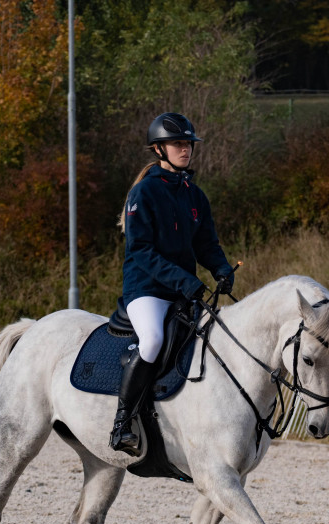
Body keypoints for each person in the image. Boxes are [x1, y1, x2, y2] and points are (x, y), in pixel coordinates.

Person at [109, 112, 236, 455]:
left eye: (188, 144)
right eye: (178, 144)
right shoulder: (143, 193)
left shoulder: (194, 195)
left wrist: (221, 269)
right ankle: (122, 423)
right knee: (152, 340)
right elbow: (142, 251)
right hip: (146, 290)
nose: (186, 149)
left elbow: (206, 244)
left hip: (183, 290)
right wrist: (185, 280)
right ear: (158, 149)